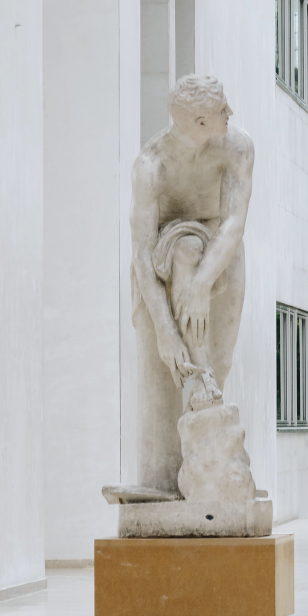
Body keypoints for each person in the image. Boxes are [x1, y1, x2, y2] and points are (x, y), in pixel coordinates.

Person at [126, 75, 254, 493]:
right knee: (165, 370)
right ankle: (164, 482)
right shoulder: (152, 165)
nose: (230, 115)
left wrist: (201, 285)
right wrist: (165, 328)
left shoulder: (237, 147)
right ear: (199, 122)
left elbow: (234, 221)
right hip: (164, 261)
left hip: (221, 251)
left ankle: (211, 475)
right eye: (221, 111)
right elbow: (143, 253)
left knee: (219, 360)